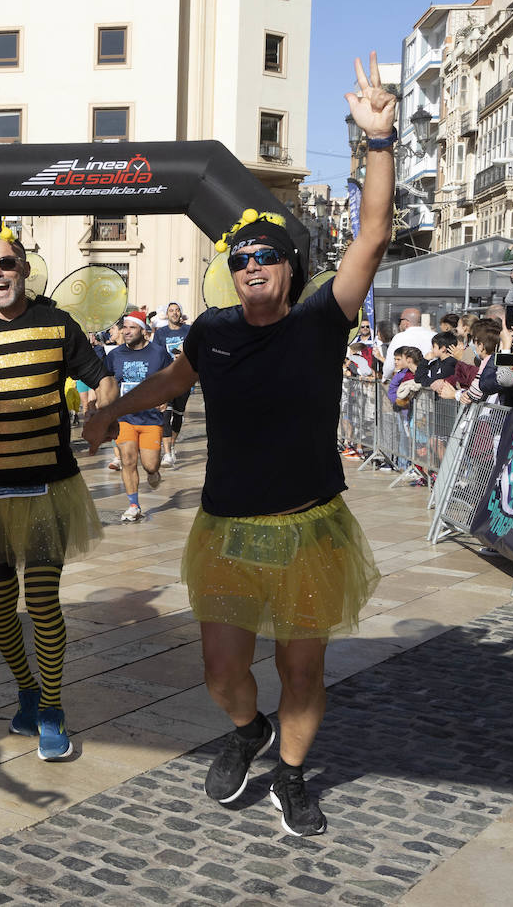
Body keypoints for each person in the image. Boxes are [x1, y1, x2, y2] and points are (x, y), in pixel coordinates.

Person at [84, 53, 391, 836]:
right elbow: (172, 382)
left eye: (266, 257)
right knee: (224, 672)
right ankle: (247, 728)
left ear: (292, 269)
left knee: (302, 668)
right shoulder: (214, 330)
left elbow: (375, 235)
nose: (252, 265)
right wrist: (106, 414)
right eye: (240, 258)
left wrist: (379, 143)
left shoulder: (323, 321)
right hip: (225, 530)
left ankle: (290, 776)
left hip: (308, 526)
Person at [0, 234, 120, 761]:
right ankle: (27, 689)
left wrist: (101, 413)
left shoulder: (58, 323)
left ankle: (52, 708)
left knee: (41, 603)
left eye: (7, 263)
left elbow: (102, 379)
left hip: (48, 486)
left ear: (24, 269)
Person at [103, 311, 171, 521]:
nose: (126, 331)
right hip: (125, 418)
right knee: (128, 461)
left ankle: (153, 473)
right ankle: (134, 505)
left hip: (151, 419)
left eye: (132, 327)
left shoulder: (159, 353)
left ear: (143, 331)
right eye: (124, 327)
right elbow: (108, 381)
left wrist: (166, 397)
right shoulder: (115, 355)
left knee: (150, 465)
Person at [156, 302, 192, 467]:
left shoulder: (189, 330)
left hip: (184, 379)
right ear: (167, 314)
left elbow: (197, 350)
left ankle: (171, 445)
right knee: (166, 415)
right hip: (166, 380)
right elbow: (155, 355)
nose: (175, 313)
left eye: (177, 310)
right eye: (171, 310)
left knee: (178, 415)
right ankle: (167, 454)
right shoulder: (161, 333)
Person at [380, 307, 433, 380]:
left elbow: (389, 365)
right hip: (432, 382)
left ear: (405, 322)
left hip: (408, 381)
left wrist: (385, 377)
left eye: (400, 320)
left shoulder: (399, 337)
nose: (399, 324)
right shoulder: (434, 335)